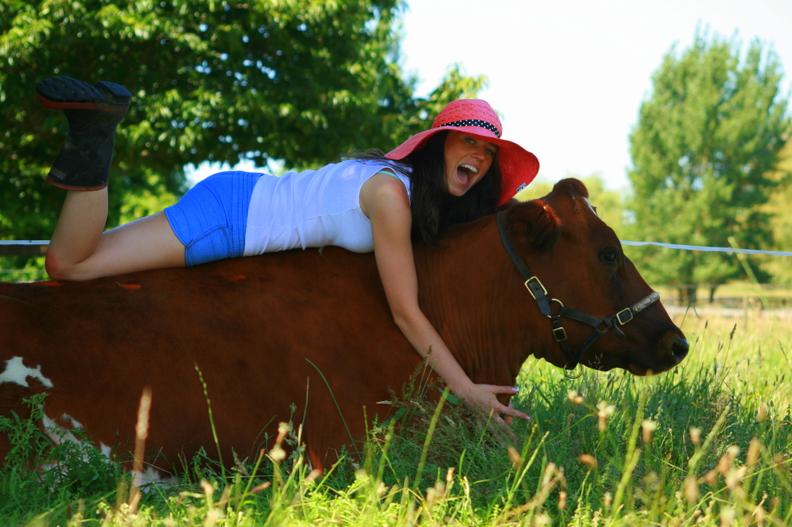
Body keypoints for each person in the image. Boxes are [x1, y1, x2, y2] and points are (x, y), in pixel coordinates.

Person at [36, 76, 540, 425]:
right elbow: (406, 312)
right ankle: (95, 138)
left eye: (489, 152)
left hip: (240, 198)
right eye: (468, 142)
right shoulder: (391, 198)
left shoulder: (403, 189)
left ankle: (94, 134)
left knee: (85, 257)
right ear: (437, 145)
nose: (479, 154)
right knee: (71, 264)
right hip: (229, 221)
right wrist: (467, 390)